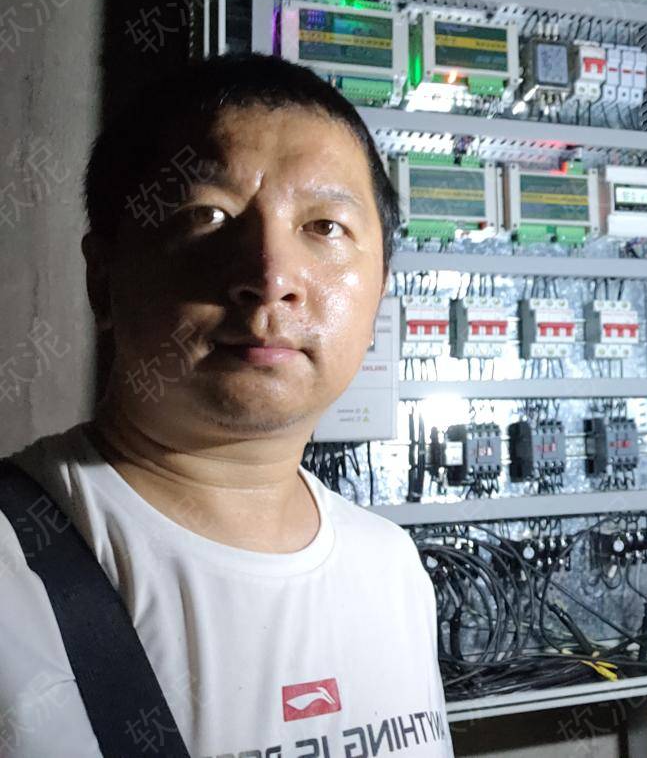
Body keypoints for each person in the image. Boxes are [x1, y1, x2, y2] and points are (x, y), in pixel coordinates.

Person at [0, 54, 452, 756]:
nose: (271, 277)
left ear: (381, 293)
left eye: (325, 226)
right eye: (206, 214)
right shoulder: (15, 574)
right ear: (102, 278)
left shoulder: (391, 569)